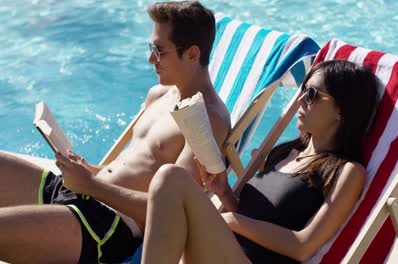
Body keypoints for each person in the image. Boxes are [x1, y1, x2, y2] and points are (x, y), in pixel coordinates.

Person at [0, 1, 231, 263]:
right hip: (81, 192)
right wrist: (90, 171)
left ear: (191, 54)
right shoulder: (158, 95)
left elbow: (173, 213)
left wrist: (91, 185)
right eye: (150, 47)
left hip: (103, 226)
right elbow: (134, 168)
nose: (150, 59)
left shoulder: (208, 118)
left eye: (159, 50)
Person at [140, 60, 379, 263]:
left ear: (342, 110)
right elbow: (252, 219)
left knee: (171, 178)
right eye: (303, 89)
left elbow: (303, 246)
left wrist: (233, 221)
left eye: (313, 94)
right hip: (226, 252)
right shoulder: (286, 152)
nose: (301, 99)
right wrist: (224, 193)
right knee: (170, 177)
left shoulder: (347, 171)